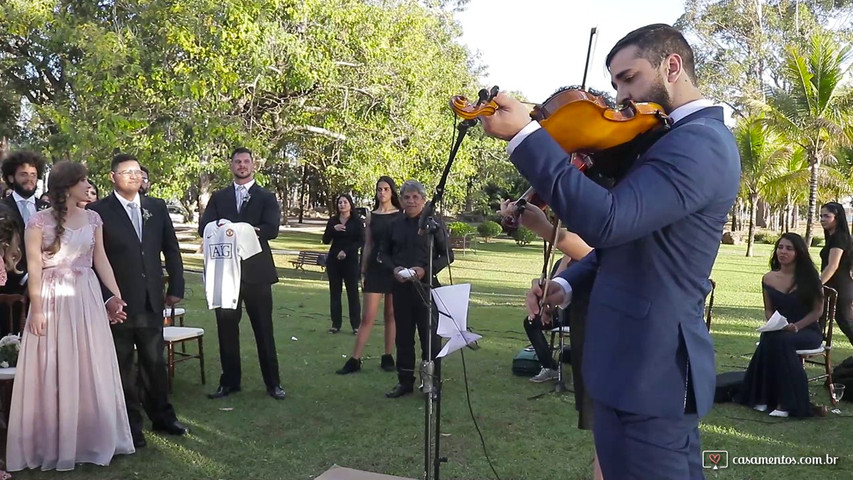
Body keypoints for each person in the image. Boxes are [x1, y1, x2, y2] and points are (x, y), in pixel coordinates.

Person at [480, 24, 740, 479]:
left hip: (654, 369)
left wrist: (527, 136)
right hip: (623, 364)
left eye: (629, 78)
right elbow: (628, 244)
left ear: (671, 66)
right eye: (616, 83)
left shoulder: (701, 143)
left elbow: (609, 220)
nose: (619, 97)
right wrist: (566, 282)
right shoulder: (661, 138)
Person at [6, 161, 134, 471]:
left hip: (86, 297)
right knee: (54, 365)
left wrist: (115, 295)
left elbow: (100, 260)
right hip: (52, 298)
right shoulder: (37, 222)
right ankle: (53, 441)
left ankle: (90, 437)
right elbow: (34, 270)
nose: (89, 185)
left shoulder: (93, 218)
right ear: (67, 186)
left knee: (90, 363)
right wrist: (36, 310)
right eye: (84, 180)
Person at [88, 153, 188, 448]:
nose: (135, 176)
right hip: (118, 302)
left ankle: (163, 417)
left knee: (154, 362)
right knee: (122, 366)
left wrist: (176, 284)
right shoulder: (98, 211)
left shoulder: (156, 208)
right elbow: (92, 260)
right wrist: (108, 298)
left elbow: (171, 248)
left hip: (151, 300)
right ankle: (131, 425)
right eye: (127, 171)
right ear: (112, 176)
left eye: (138, 172)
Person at [199, 147, 286, 400]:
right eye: (237, 161)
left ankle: (273, 383)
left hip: (256, 272)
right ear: (231, 165)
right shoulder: (219, 197)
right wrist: (222, 228)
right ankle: (229, 382)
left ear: (253, 165)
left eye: (246, 161)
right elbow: (205, 226)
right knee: (226, 329)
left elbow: (271, 229)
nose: (242, 165)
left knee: (263, 329)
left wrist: (240, 230)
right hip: (225, 274)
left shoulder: (266, 196)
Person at [379, 180, 453, 398]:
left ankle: (432, 384)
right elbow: (383, 254)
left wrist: (425, 270)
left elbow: (448, 255)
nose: (411, 201)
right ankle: (404, 382)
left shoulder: (434, 224)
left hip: (427, 288)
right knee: (403, 337)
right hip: (401, 288)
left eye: (415, 197)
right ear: (401, 200)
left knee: (430, 338)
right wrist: (394, 269)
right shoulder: (393, 224)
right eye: (406, 197)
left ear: (423, 199)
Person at [737, 233, 823, 418]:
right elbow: (768, 310)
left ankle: (787, 404)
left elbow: (817, 311)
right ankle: (764, 398)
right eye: (780, 247)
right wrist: (775, 323)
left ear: (799, 253)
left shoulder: (810, 278)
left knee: (780, 341)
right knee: (771, 337)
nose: (783, 252)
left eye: (789, 248)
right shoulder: (768, 278)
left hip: (807, 330)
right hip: (780, 329)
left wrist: (797, 326)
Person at [337, 176, 402, 374]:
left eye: (385, 189)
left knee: (391, 315)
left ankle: (387, 356)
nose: (382, 193)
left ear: (392, 191)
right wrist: (362, 270)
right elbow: (368, 245)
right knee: (368, 317)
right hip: (374, 268)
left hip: (393, 268)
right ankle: (355, 359)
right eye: (379, 189)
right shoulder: (371, 216)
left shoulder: (400, 214)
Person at [0, 150, 49, 335]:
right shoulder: (2, 208)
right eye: (23, 174)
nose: (29, 179)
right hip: (12, 290)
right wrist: (26, 277)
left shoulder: (47, 208)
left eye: (33, 175)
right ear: (11, 177)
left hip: (47, 287)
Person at [322, 193, 364, 334]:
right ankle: (336, 324)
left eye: (345, 202)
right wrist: (333, 230)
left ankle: (356, 326)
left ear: (350, 205)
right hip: (334, 261)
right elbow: (325, 240)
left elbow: (361, 240)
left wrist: (346, 251)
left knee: (352, 293)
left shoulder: (356, 222)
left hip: (350, 260)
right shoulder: (333, 221)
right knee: (335, 293)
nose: (342, 205)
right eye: (340, 202)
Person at [818, 202, 853, 347]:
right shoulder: (832, 237)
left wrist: (816, 285)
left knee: (845, 321)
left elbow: (833, 266)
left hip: (841, 287)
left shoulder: (839, 237)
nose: (822, 219)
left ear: (837, 218)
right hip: (834, 287)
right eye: (821, 216)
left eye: (827, 216)